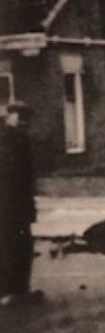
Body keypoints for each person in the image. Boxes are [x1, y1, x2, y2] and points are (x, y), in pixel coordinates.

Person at [0, 101, 38, 305]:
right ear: (10, 117)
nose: (23, 122)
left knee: (21, 245)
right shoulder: (7, 140)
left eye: (25, 119)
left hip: (18, 204)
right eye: (19, 117)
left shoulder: (19, 139)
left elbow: (27, 178)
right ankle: (9, 291)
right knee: (9, 246)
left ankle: (20, 289)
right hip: (7, 205)